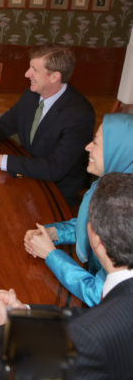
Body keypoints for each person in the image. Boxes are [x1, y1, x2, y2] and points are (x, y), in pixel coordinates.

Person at [0, 172, 133, 380]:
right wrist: (25, 314)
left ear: (95, 238)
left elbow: (19, 376)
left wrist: (7, 330)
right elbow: (99, 316)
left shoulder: (89, 338)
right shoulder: (116, 305)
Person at [24, 114, 133, 306]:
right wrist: (54, 232)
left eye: (96, 143)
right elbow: (90, 224)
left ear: (118, 151)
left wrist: (51, 255)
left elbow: (98, 294)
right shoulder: (112, 186)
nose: (87, 147)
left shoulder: (125, 213)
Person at [0, 46, 95, 208]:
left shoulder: (80, 114)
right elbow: (3, 125)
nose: (27, 74)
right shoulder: (31, 95)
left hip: (56, 193)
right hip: (26, 175)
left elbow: (54, 168)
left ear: (54, 77)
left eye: (34, 70)